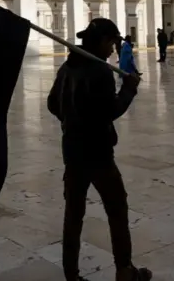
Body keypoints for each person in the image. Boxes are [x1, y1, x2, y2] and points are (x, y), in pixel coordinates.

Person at [46, 18, 152, 281]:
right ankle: (124, 270)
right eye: (113, 43)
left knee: (73, 216)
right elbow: (109, 112)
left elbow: (51, 103)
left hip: (72, 152)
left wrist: (70, 120)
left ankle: (71, 274)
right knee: (117, 210)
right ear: (103, 42)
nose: (114, 49)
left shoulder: (67, 68)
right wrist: (128, 90)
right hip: (98, 155)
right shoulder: (101, 71)